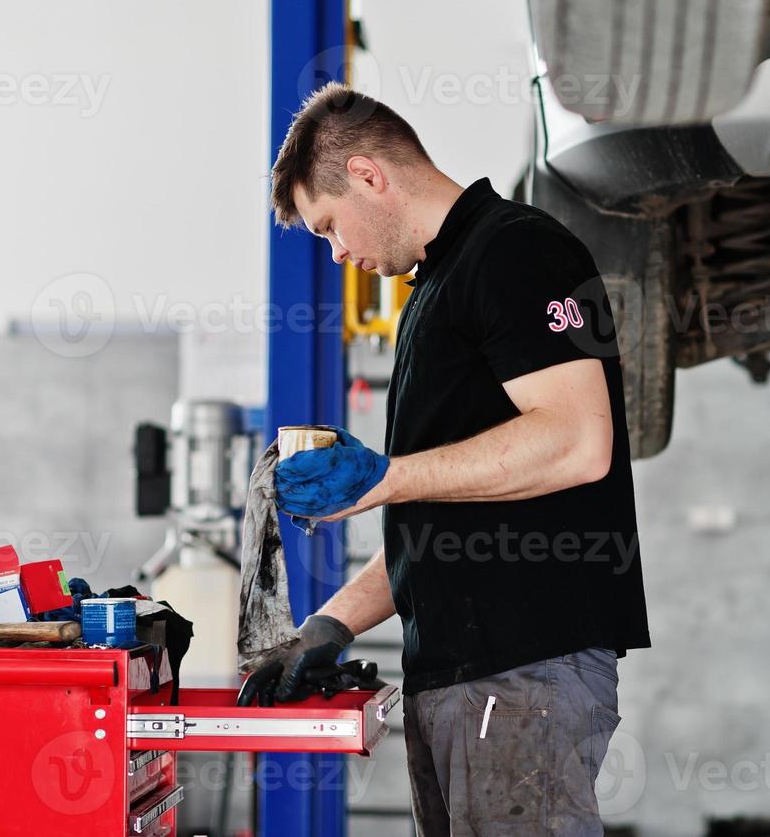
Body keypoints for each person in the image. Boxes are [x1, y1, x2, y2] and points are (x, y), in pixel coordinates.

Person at [262, 82, 650, 835]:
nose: (338, 252)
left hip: (520, 670)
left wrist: (384, 477)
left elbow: (577, 441)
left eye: (328, 226)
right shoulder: (434, 288)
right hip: (468, 679)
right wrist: (328, 627)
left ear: (369, 175)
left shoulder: (515, 251)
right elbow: (432, 510)